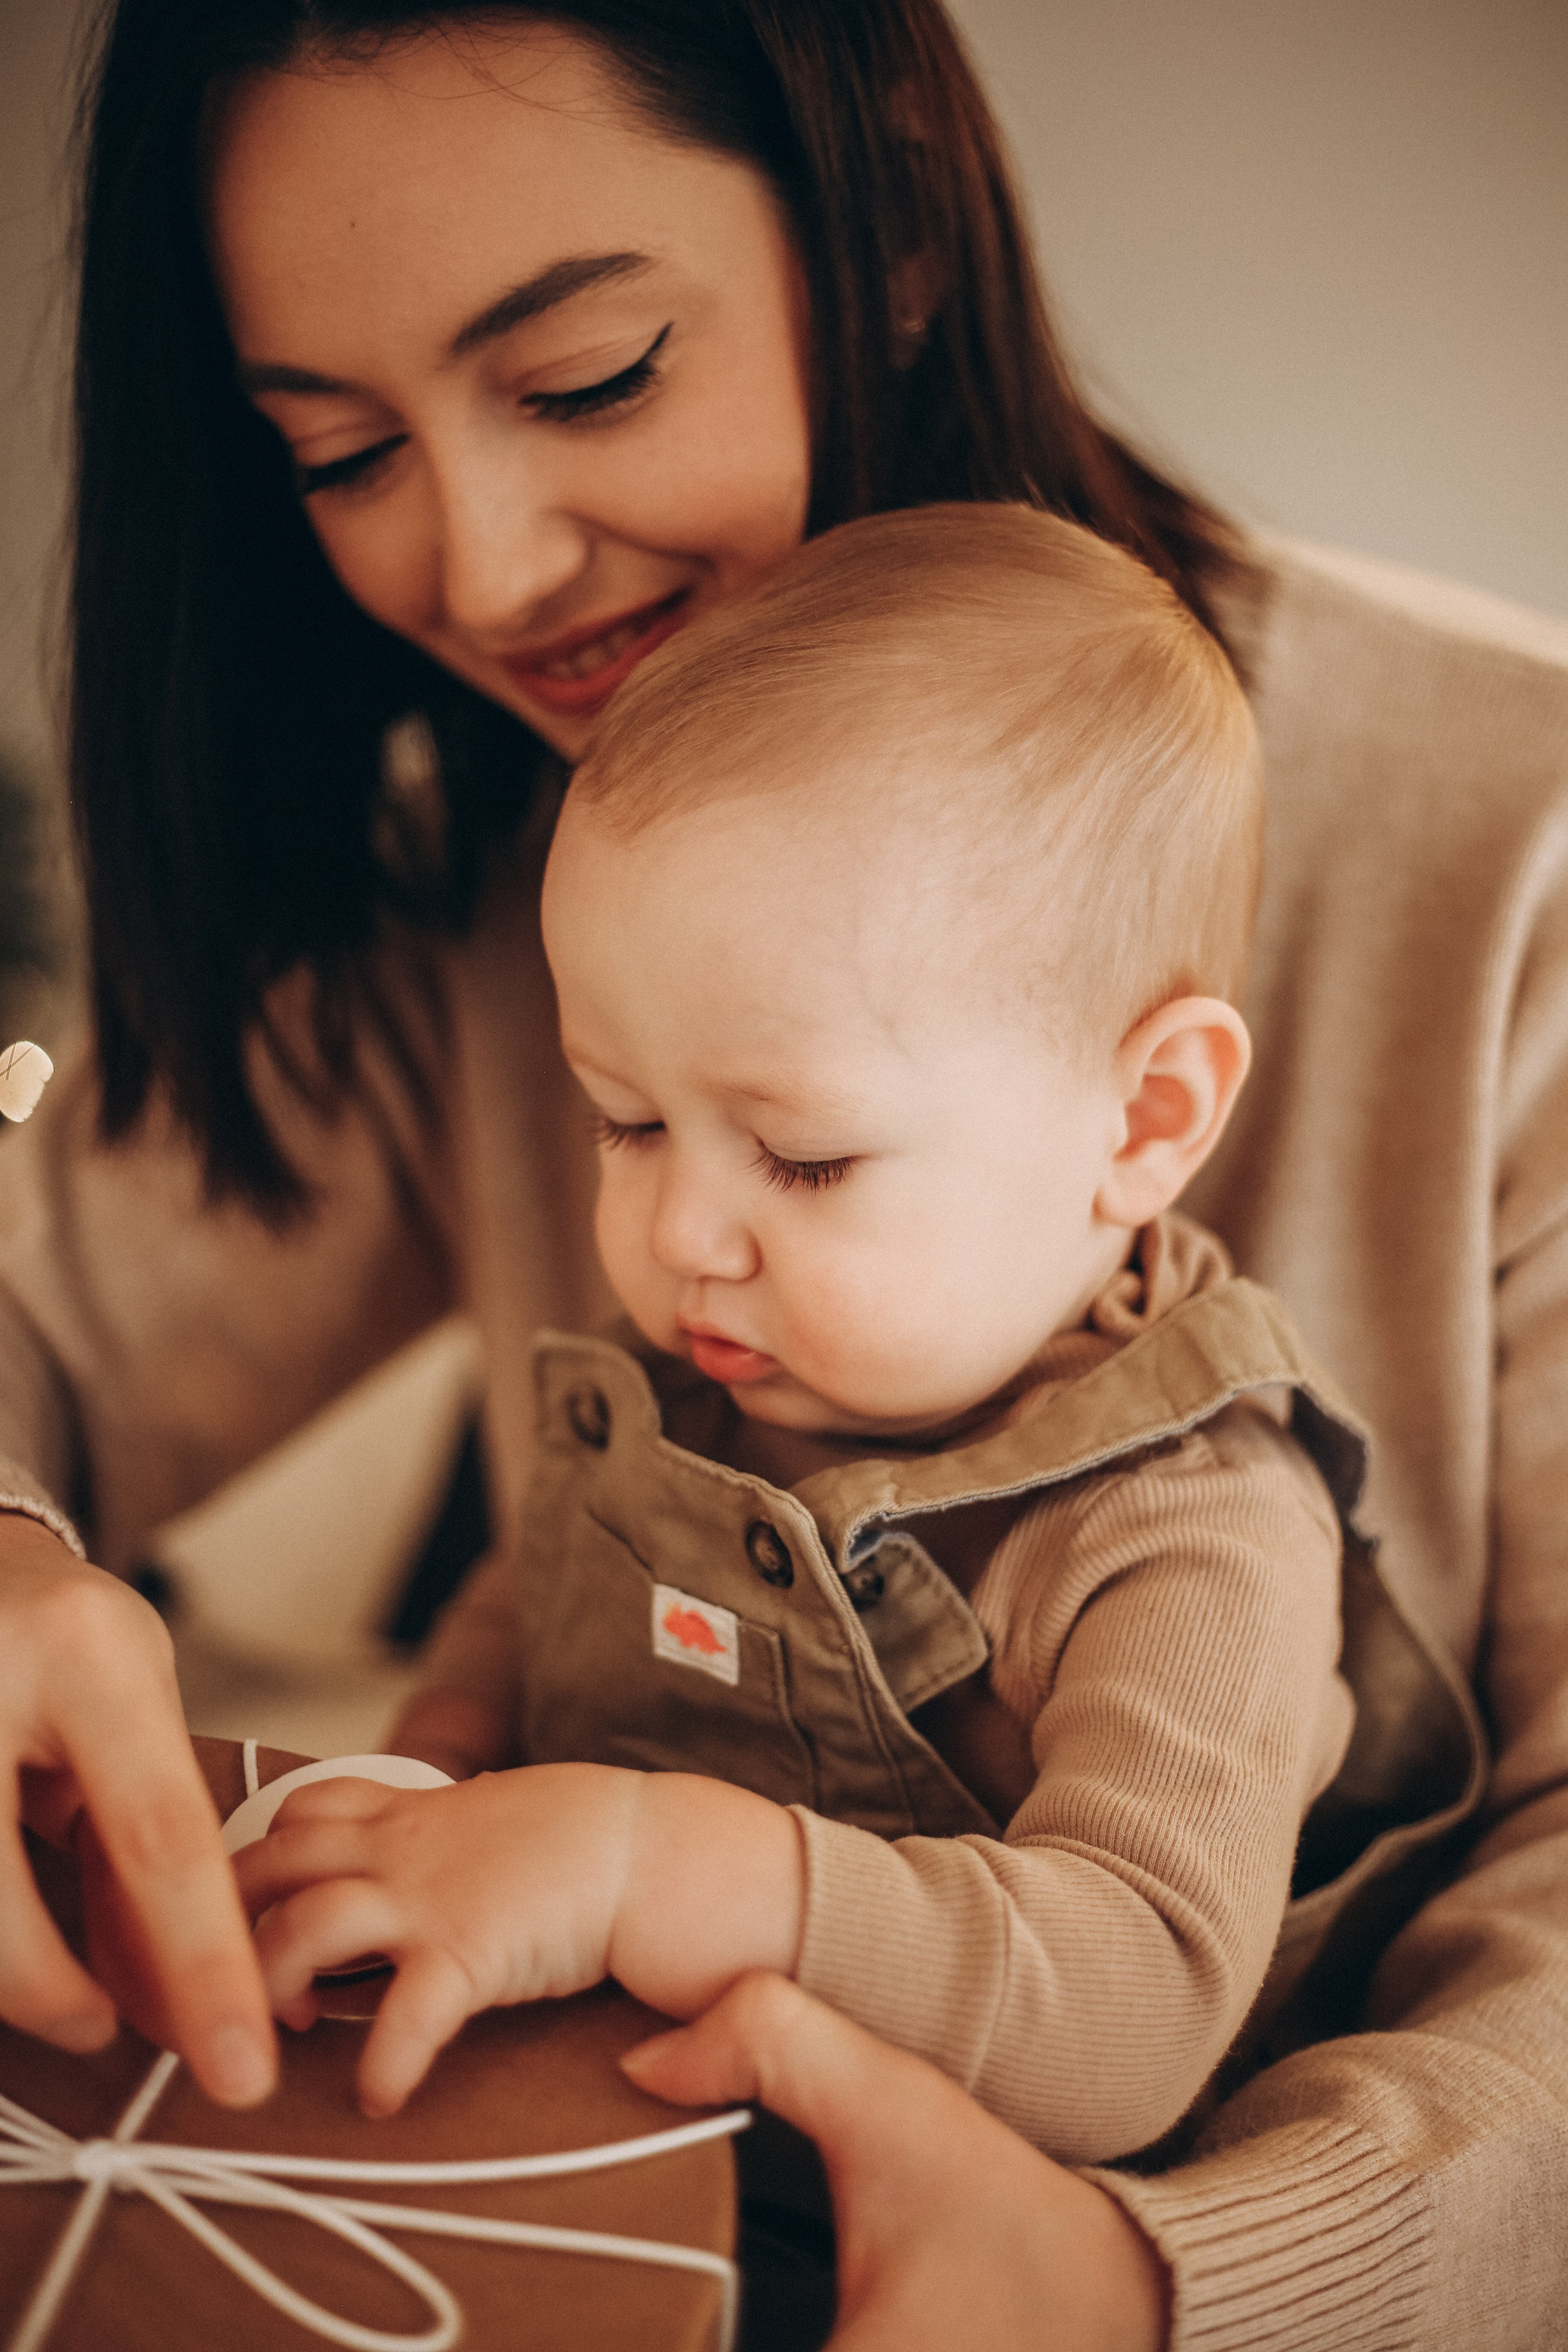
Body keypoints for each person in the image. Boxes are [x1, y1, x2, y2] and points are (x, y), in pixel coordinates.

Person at [0, 3, 1563, 2345]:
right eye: (331, 451)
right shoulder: (479, 850)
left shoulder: (1517, 862)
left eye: (592, 373)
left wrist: (1167, 2283)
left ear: (899, 226)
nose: (486, 570)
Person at [238, 502, 1453, 2155]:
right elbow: (536, 1588)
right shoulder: (709, 1361)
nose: (679, 1235)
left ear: (1146, 1118)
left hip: (937, 2235)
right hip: (603, 2136)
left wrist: (637, 1866)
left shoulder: (1194, 1532)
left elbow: (1133, 2009)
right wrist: (436, 1784)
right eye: (625, 1118)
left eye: (804, 1155)